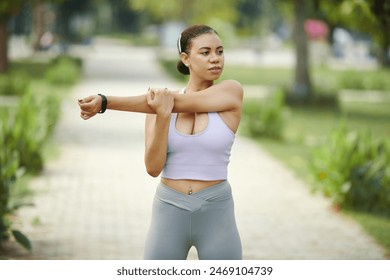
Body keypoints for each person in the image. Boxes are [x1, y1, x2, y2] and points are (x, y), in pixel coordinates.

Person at [78, 24, 243, 260]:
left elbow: (182, 102)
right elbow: (153, 168)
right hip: (169, 208)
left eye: (220, 51)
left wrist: (105, 102)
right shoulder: (157, 108)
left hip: (217, 209)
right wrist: (162, 116)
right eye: (205, 52)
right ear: (186, 59)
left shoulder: (231, 92)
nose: (215, 59)